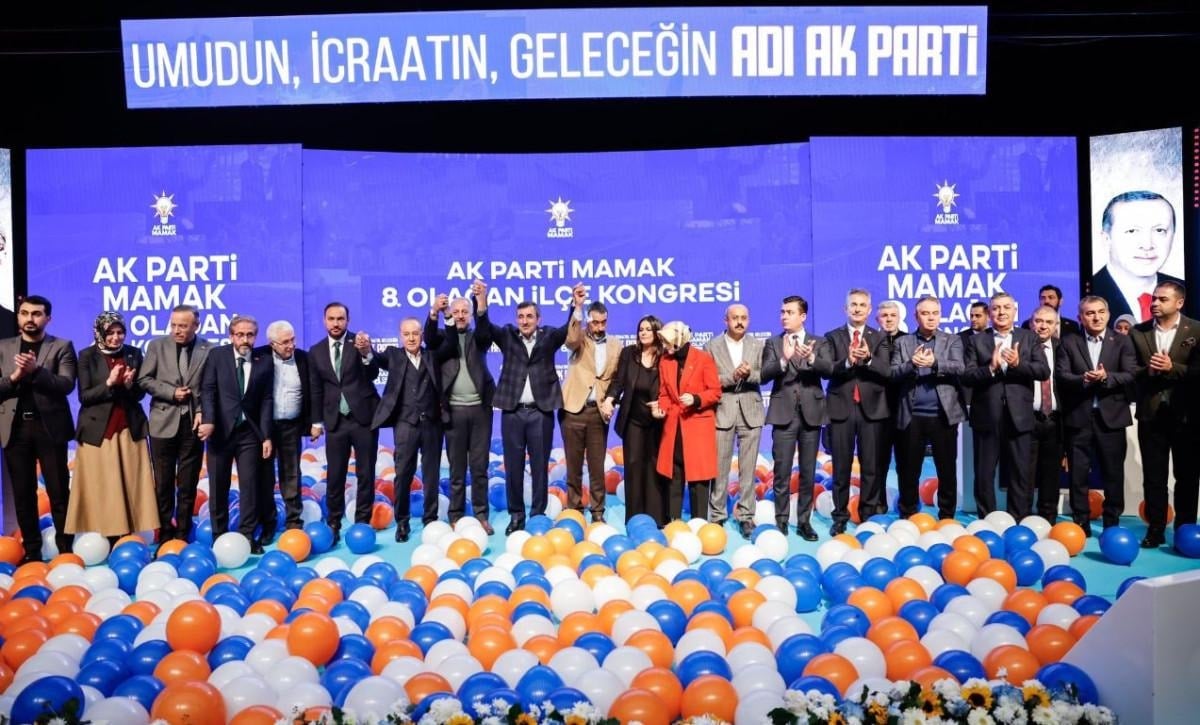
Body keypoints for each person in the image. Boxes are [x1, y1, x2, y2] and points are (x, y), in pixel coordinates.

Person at [478, 288, 578, 535]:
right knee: (513, 467)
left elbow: (568, 329)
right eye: (520, 316)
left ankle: (537, 515)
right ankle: (517, 516)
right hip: (513, 413)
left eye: (529, 316)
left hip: (541, 413)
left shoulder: (549, 336)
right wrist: (481, 303)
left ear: (538, 319)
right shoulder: (507, 336)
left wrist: (576, 305)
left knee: (540, 466)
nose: (524, 321)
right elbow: (486, 328)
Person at [65, 312, 157, 547]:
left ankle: (128, 532)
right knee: (103, 484)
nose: (116, 337)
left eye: (120, 332)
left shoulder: (133, 353)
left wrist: (128, 385)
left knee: (131, 483)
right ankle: (104, 533)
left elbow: (139, 394)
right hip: (98, 431)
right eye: (110, 333)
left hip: (129, 427)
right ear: (100, 333)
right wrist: (109, 383)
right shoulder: (86, 356)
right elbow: (85, 396)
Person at [0, 295, 77, 562]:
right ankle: (32, 552)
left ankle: (65, 548)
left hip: (49, 429)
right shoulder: (4, 347)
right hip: (15, 430)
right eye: (24, 313)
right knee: (23, 494)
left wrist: (35, 371)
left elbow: (65, 384)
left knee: (59, 492)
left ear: (48, 318)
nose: (29, 319)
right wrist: (15, 377)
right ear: (18, 317)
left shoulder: (62, 346)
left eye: (36, 314)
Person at [962, 292, 1050, 519]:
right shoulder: (976, 340)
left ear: (1014, 311)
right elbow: (967, 376)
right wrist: (990, 368)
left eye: (1006, 308)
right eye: (996, 308)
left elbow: (1043, 371)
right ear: (989, 313)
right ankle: (987, 518)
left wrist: (1018, 364)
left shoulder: (1029, 337)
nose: (1001, 312)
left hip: (1020, 416)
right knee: (984, 473)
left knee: (1020, 472)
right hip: (987, 416)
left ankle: (1018, 518)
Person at [1057, 296, 1136, 535]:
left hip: (1111, 418)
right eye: (1090, 313)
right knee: (1078, 473)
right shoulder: (1069, 341)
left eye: (1101, 312)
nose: (1096, 317)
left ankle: (1112, 521)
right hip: (1078, 416)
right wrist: (1083, 379)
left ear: (1108, 314)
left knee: (1113, 472)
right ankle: (1081, 521)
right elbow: (1062, 375)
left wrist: (1106, 377)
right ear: (1080, 317)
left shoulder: (1122, 341)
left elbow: (1130, 374)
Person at [1128, 281, 1199, 548]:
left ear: (1179, 303)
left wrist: (1173, 367)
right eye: (1154, 298)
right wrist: (1148, 370)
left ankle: (1184, 529)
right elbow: (1130, 370)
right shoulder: (1138, 332)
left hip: (1187, 417)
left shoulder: (1197, 330)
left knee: (1187, 476)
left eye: (1162, 299)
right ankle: (1155, 529)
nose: (1155, 303)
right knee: (1154, 477)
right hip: (1151, 415)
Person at [138, 304, 212, 547]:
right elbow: (144, 379)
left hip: (193, 424)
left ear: (196, 326)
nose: (177, 330)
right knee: (163, 483)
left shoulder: (209, 349)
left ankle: (182, 533)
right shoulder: (157, 346)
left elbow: (210, 387)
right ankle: (164, 533)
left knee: (188, 484)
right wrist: (171, 393)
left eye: (183, 326)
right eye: (173, 325)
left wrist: (201, 411)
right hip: (163, 423)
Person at [199, 316, 274, 553]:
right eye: (240, 334)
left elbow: (266, 400)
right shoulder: (217, 356)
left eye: (250, 335)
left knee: (250, 487)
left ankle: (247, 537)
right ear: (231, 336)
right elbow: (208, 390)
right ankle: (219, 537)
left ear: (255, 337)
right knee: (218, 486)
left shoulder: (264, 361)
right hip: (220, 432)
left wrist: (266, 436)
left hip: (249, 433)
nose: (245, 339)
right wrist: (209, 421)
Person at [424, 283, 495, 533]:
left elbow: (485, 330)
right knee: (456, 469)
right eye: (456, 312)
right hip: (452, 411)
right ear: (450, 315)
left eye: (465, 312)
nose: (461, 316)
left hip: (480, 411)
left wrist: (481, 301)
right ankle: (455, 515)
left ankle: (481, 515)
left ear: (471, 315)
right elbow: (429, 338)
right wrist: (434, 312)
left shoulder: (479, 338)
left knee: (479, 467)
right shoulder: (442, 339)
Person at [309, 302, 380, 545]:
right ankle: (334, 522)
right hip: (335, 421)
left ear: (347, 321)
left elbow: (373, 374)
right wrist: (316, 422)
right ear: (324, 321)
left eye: (340, 319)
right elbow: (315, 389)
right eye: (331, 319)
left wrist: (366, 353)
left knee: (366, 473)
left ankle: (362, 520)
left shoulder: (359, 342)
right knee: (335, 475)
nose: (336, 323)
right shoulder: (316, 351)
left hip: (364, 419)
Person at [761, 296, 831, 541]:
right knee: (781, 471)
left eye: (789, 312)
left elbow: (829, 370)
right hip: (784, 415)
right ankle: (781, 521)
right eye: (782, 312)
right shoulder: (773, 342)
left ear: (803, 316)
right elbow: (763, 375)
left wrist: (811, 358)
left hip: (811, 414)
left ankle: (804, 522)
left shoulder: (819, 342)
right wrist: (784, 359)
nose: (784, 316)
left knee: (808, 471)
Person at [370, 317, 446, 541]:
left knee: (432, 474)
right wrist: (365, 349)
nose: (411, 338)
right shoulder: (393, 355)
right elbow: (374, 358)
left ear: (421, 335)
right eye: (406, 334)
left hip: (432, 424)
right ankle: (402, 522)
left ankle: (430, 519)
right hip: (405, 425)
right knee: (403, 475)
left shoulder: (432, 355)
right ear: (400, 336)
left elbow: (449, 342)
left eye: (415, 333)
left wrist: (436, 315)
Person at [891, 296, 966, 520]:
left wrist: (934, 363)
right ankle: (908, 515)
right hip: (911, 416)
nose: (931, 318)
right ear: (916, 316)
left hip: (943, 415)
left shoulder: (952, 340)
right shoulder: (903, 342)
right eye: (925, 313)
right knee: (908, 470)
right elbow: (892, 373)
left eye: (935, 313)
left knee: (946, 469)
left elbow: (960, 368)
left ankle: (947, 516)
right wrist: (912, 364)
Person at [824, 289, 891, 531]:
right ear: (846, 309)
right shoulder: (832, 337)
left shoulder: (879, 337)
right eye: (853, 304)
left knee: (871, 467)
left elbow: (887, 371)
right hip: (841, 409)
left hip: (871, 411)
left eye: (862, 305)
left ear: (869, 310)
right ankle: (840, 517)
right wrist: (847, 362)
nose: (858, 309)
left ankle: (868, 516)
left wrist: (868, 359)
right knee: (841, 467)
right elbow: (827, 369)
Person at [562, 292, 622, 524]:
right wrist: (577, 308)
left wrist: (611, 400)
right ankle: (575, 508)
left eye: (603, 322)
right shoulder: (578, 339)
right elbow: (570, 339)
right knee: (574, 465)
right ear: (588, 320)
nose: (599, 327)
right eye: (595, 322)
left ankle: (598, 511)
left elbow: (617, 378)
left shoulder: (615, 344)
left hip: (598, 412)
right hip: (573, 410)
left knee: (597, 466)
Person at [704, 303, 765, 536]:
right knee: (719, 468)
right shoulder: (712, 346)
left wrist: (749, 374)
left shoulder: (757, 345)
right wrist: (733, 376)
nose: (740, 322)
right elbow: (708, 380)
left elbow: (764, 375)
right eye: (735, 318)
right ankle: (717, 515)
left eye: (744, 318)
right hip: (723, 411)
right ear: (726, 320)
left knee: (748, 469)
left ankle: (746, 516)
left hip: (751, 411)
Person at [603, 315, 668, 526]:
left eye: (648, 329)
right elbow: (619, 381)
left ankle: (657, 517)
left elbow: (672, 387)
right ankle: (635, 518)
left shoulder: (665, 356)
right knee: (633, 465)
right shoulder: (629, 353)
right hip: (633, 419)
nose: (644, 332)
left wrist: (663, 404)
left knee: (654, 466)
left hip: (658, 421)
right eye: (641, 329)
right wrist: (610, 399)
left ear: (657, 332)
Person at [655, 321, 721, 522]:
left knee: (699, 480)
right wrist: (661, 408)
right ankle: (674, 522)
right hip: (674, 427)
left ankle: (699, 523)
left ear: (679, 340)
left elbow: (715, 392)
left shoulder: (703, 359)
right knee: (674, 475)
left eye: (667, 341)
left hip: (697, 427)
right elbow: (664, 394)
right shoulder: (665, 361)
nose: (664, 346)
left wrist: (696, 399)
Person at [1090, 190, 1185, 323]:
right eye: (1132, 231)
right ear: (1107, 239)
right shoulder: (1087, 292)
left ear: (1173, 236)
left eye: (1159, 230)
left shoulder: (1190, 291)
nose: (1147, 245)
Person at [256, 320, 310, 540]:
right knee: (265, 476)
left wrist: (315, 423)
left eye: (293, 339)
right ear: (272, 344)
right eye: (285, 342)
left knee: (291, 474)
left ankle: (294, 521)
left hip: (291, 425)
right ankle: (268, 524)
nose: (291, 345)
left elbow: (313, 392)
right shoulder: (259, 357)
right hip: (265, 428)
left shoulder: (304, 359)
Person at [1027, 305, 1067, 522]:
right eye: (1039, 321)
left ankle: (1048, 518)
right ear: (1031, 323)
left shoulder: (1063, 348)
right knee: (1025, 473)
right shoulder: (1021, 346)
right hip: (1027, 418)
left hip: (1055, 419)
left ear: (1056, 326)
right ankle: (1023, 518)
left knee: (1051, 473)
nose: (1043, 326)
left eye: (1049, 322)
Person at [875, 300, 905, 493]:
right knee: (879, 461)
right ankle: (879, 502)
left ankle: (906, 504)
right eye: (884, 316)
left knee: (906, 461)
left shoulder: (908, 340)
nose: (889, 319)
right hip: (877, 410)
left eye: (893, 315)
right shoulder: (870, 340)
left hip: (903, 408)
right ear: (877, 319)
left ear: (899, 318)